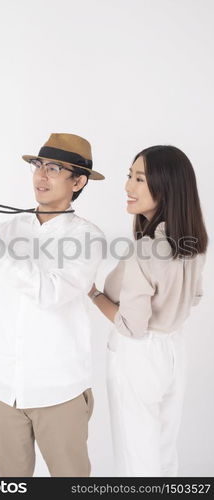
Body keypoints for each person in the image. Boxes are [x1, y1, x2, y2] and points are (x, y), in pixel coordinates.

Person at [0, 133, 107, 477]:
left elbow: (52, 293)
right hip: (2, 392)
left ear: (79, 181)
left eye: (54, 168)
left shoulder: (87, 237)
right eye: (37, 165)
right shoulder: (10, 229)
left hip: (60, 394)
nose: (40, 176)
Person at [88, 145, 208, 477]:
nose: (128, 187)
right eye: (130, 176)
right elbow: (194, 297)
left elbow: (131, 326)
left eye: (140, 178)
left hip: (139, 355)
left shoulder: (147, 249)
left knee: (136, 456)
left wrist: (94, 293)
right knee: (163, 450)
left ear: (166, 185)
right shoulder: (194, 241)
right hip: (173, 350)